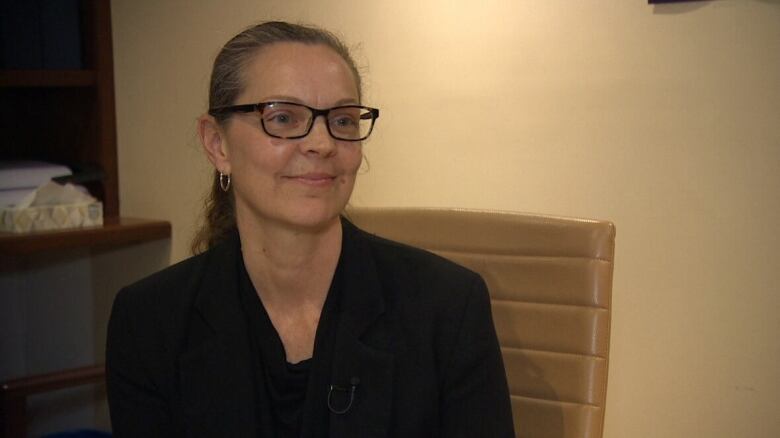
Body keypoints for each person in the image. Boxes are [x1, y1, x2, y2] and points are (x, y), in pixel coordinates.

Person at [106, 21, 514, 438]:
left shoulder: (446, 307)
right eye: (282, 117)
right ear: (217, 144)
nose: (322, 143)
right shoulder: (149, 321)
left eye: (341, 120)